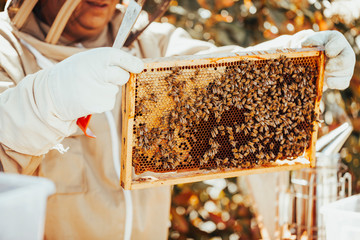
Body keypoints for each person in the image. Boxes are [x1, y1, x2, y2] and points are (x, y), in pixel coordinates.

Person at [0, 0, 355, 239]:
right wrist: (48, 98)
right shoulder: (7, 49)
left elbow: (227, 76)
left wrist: (298, 54)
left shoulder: (151, 43)